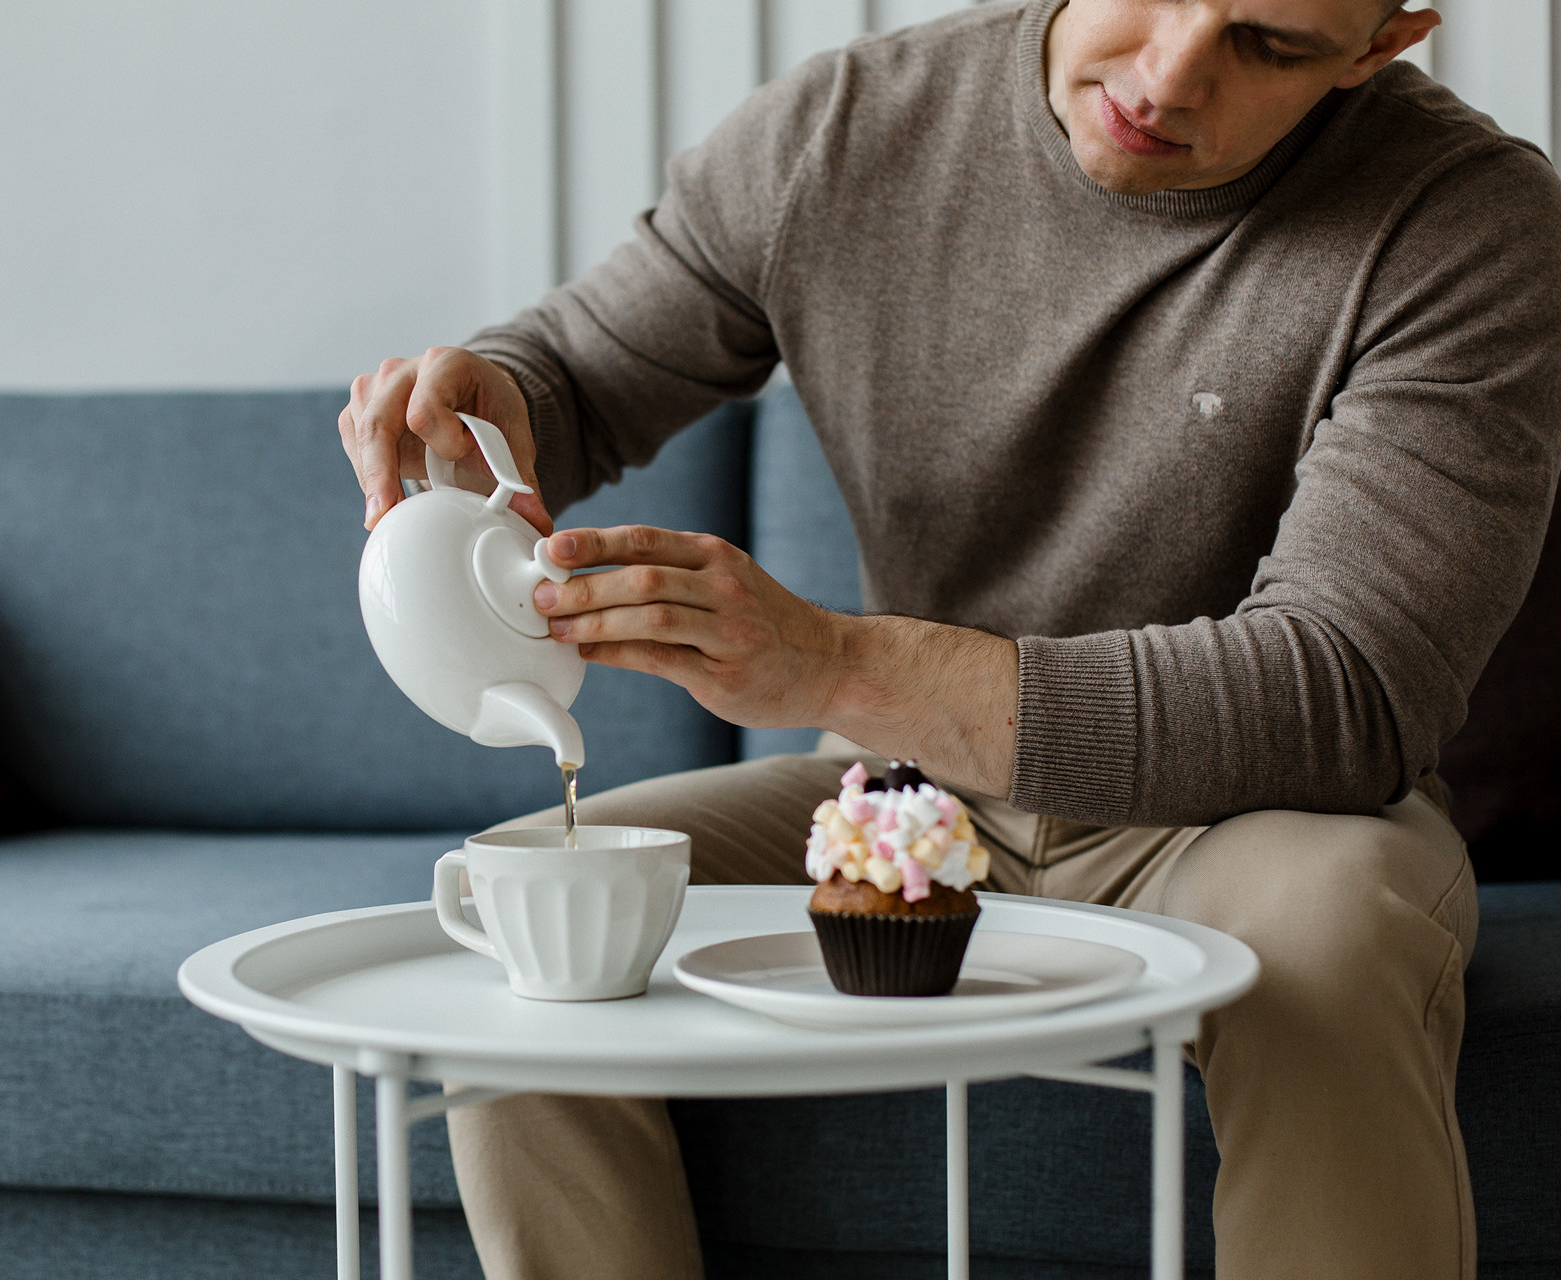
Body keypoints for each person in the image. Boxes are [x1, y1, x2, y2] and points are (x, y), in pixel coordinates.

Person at [336, 0, 1561, 1275]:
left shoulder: (1466, 222)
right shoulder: (841, 130)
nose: (1169, 74)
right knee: (522, 899)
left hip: (1247, 817)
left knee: (1334, 926)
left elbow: (1343, 693)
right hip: (904, 800)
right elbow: (581, 369)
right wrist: (491, 397)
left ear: (1380, 44)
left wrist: (838, 665)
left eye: (1270, 42)